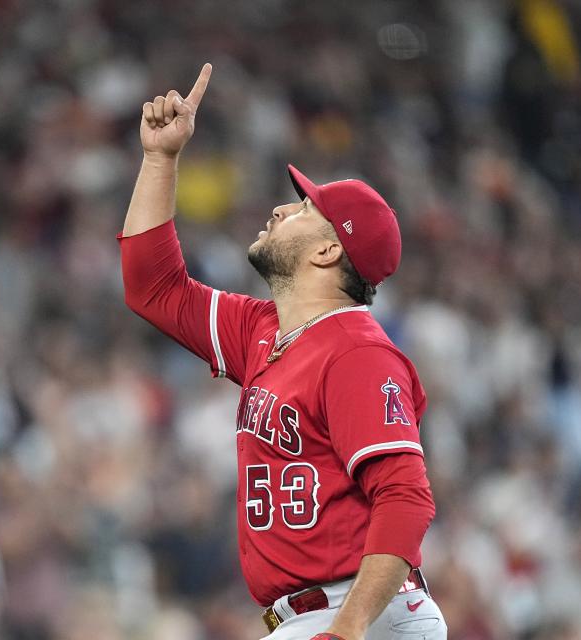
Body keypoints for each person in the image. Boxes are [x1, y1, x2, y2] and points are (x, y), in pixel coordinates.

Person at [119, 63, 447, 640]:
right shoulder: (264, 331)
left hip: (362, 614)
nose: (281, 208)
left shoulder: (357, 354)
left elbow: (406, 498)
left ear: (327, 252)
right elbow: (154, 289)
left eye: (305, 209)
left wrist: (345, 632)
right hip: (317, 615)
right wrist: (159, 160)